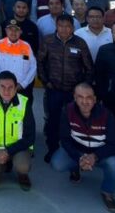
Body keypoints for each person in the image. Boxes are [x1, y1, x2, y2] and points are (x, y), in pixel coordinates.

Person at [52, 82, 115, 213]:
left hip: (99, 153)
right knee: (57, 163)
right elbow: (65, 139)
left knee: (114, 164)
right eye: (80, 97)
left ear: (95, 99)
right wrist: (79, 158)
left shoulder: (106, 114)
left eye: (89, 97)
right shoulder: (67, 111)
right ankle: (75, 169)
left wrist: (94, 156)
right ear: (74, 98)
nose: (85, 101)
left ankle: (107, 192)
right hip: (77, 150)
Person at [38, 14, 93, 162]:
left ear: (73, 28)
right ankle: (52, 149)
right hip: (54, 89)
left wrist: (82, 88)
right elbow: (40, 62)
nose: (64, 29)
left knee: (75, 122)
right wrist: (46, 82)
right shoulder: (48, 41)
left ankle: (74, 152)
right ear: (56, 26)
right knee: (53, 121)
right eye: (61, 26)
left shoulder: (80, 43)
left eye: (67, 26)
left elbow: (89, 67)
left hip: (74, 92)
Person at [0, 19, 37, 93]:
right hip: (4, 88)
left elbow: (33, 66)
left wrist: (23, 84)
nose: (13, 32)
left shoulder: (26, 46)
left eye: (16, 30)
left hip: (22, 88)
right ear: (6, 31)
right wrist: (3, 82)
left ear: (20, 31)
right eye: (10, 29)